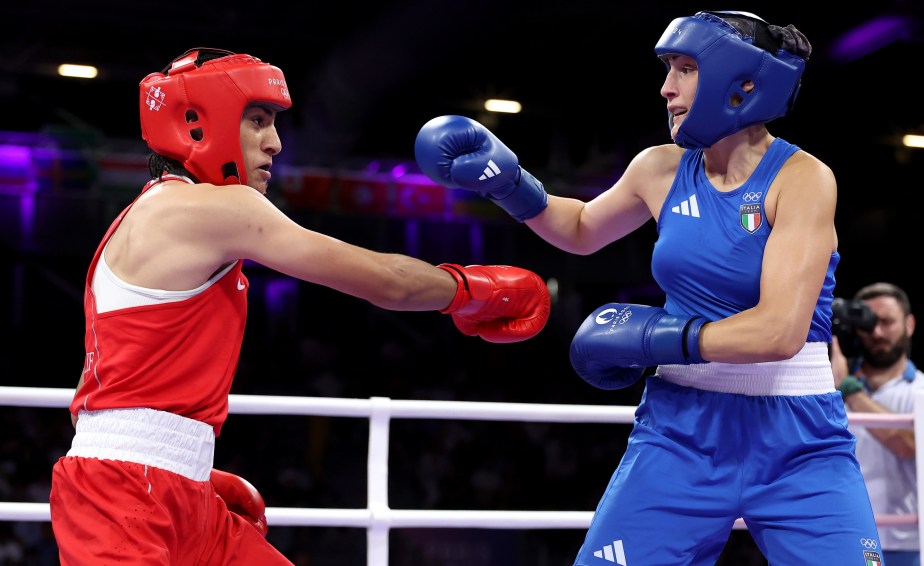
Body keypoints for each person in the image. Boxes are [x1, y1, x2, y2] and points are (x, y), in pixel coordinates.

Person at [414, 10, 885, 566]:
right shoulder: (659, 168)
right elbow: (583, 229)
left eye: (685, 69)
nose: (666, 88)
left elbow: (780, 331)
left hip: (799, 435)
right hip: (681, 428)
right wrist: (511, 183)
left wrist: (653, 338)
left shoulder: (802, 178)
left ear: (742, 83)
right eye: (668, 69)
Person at [48, 47, 552, 565]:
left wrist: (183, 461)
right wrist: (469, 291)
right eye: (258, 121)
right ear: (199, 123)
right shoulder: (214, 209)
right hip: (121, 495)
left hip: (169, 488)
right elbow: (386, 282)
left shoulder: (144, 215)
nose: (275, 142)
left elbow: (115, 389)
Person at [832, 282, 924, 566]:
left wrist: (849, 389)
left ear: (909, 324)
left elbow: (909, 445)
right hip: (843, 538)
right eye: (868, 323)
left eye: (887, 322)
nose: (877, 332)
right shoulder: (827, 391)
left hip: (906, 542)